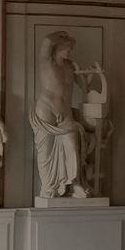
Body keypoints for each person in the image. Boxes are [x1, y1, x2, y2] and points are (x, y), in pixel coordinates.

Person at [31, 31, 98, 199]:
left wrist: (89, 76)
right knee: (45, 151)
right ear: (58, 48)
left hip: (65, 111)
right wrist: (61, 34)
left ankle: (75, 184)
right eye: (68, 48)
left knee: (73, 146)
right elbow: (47, 41)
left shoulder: (70, 66)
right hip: (46, 109)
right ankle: (48, 187)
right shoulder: (47, 62)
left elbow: (83, 86)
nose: (70, 51)